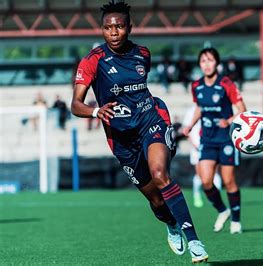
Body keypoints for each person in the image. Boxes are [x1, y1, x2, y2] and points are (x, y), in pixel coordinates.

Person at [70, 1, 208, 263]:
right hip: (121, 139)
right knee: (156, 200)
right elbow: (75, 104)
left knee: (161, 175)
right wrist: (96, 111)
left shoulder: (143, 53)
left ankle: (195, 241)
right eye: (108, 27)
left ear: (129, 28)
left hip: (150, 121)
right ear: (101, 29)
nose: (114, 32)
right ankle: (171, 224)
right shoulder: (92, 61)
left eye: (119, 26)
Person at [183, 47, 246, 234]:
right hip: (207, 140)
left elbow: (242, 110)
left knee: (228, 181)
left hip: (226, 140)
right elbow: (199, 108)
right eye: (203, 61)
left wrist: (228, 120)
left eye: (210, 60)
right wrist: (190, 125)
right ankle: (222, 210)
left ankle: (236, 221)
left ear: (217, 63)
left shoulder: (227, 84)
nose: (207, 64)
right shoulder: (196, 86)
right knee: (206, 182)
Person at [182, 105, 223, 208]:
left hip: (211, 145)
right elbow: (187, 130)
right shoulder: (191, 110)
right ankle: (197, 195)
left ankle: (215, 198)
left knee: (214, 172)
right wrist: (195, 145)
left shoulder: (214, 107)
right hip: (197, 147)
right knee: (200, 174)